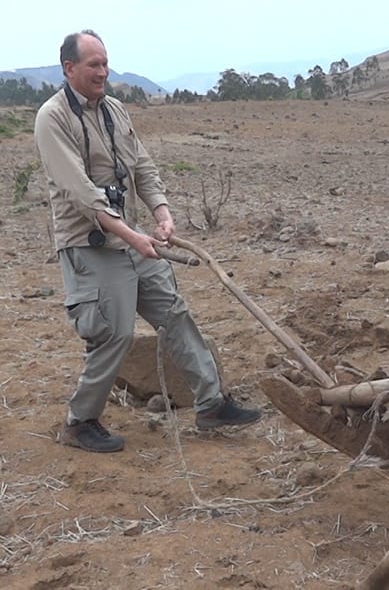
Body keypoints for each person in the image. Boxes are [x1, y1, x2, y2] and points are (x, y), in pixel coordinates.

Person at [34, 30, 262, 453]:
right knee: (114, 333)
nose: (103, 71)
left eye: (105, 63)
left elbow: (142, 166)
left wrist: (161, 212)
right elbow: (83, 195)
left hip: (136, 240)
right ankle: (80, 421)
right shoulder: (52, 119)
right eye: (93, 65)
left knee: (174, 313)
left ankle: (211, 403)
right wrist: (133, 237)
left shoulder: (116, 110)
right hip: (93, 245)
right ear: (69, 69)